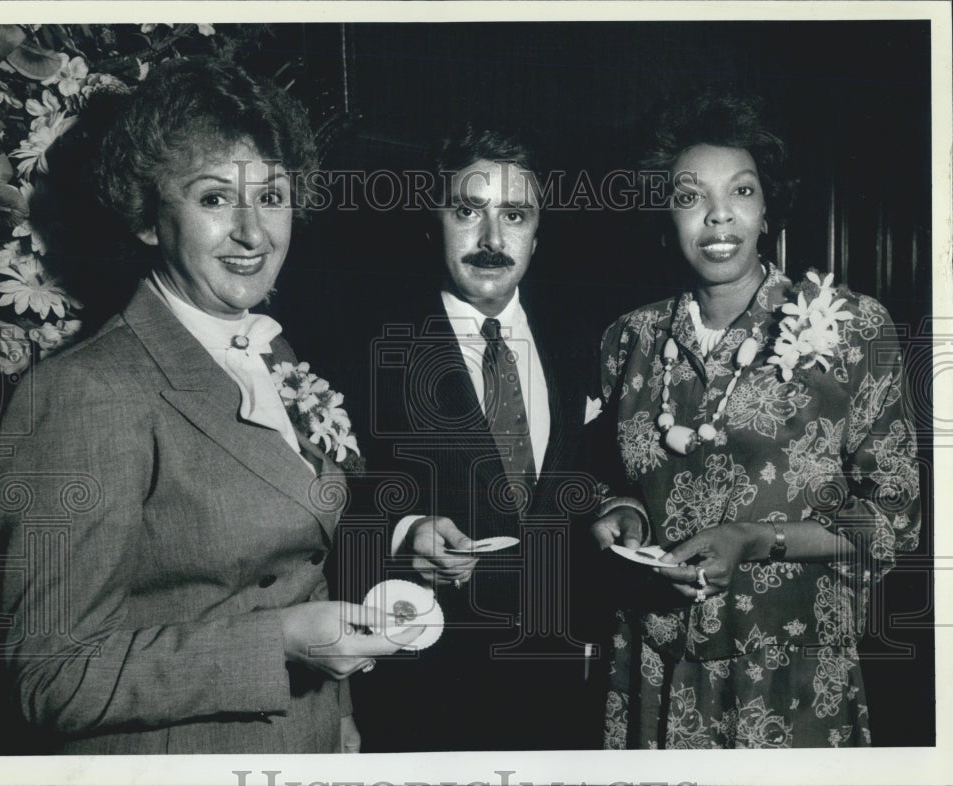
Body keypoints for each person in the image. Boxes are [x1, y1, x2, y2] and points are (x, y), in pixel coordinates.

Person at [0, 57, 420, 755]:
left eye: (272, 196)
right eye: (215, 199)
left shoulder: (270, 351)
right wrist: (279, 644)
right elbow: (51, 678)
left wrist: (334, 715)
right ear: (148, 218)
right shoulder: (86, 393)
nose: (254, 233)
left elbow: (300, 561)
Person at [591, 93, 920, 748]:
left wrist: (752, 537)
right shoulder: (628, 339)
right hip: (656, 674)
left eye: (741, 191)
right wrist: (619, 517)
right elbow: (614, 479)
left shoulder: (851, 327)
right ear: (666, 214)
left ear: (767, 208)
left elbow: (893, 522)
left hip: (790, 675)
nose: (719, 214)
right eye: (690, 196)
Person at [345, 124, 602, 751]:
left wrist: (615, 506)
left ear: (537, 235)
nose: (491, 239)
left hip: (566, 689)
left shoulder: (580, 341)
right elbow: (327, 503)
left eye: (514, 214)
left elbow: (596, 474)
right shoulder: (363, 348)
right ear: (433, 222)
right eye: (467, 210)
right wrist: (405, 532)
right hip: (429, 693)